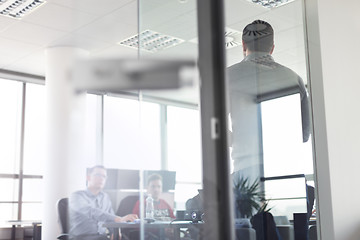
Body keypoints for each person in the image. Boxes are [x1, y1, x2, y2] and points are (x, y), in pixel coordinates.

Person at [227, 20, 310, 183]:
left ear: (243, 45)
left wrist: (240, 140)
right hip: (286, 170)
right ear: (272, 47)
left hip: (246, 170)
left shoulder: (227, 76)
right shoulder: (294, 78)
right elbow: (305, 134)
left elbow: (211, 129)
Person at [69, 165, 138, 240]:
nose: (101, 178)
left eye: (104, 176)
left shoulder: (105, 197)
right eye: (98, 175)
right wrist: (118, 219)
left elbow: (110, 218)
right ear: (88, 177)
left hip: (102, 237)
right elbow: (91, 211)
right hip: (81, 238)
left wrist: (115, 233)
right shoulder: (76, 196)